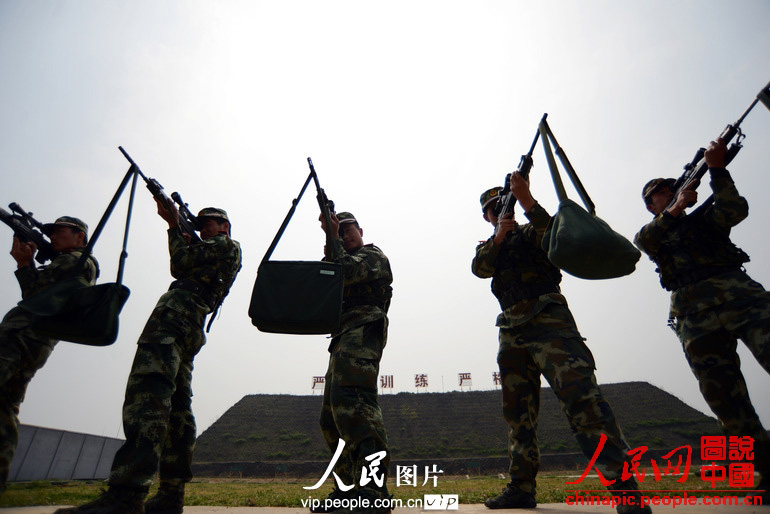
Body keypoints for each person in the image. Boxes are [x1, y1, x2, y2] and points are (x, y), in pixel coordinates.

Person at [472, 175, 650, 514]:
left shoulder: (532, 230)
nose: (498, 211)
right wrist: (498, 237)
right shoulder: (489, 244)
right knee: (518, 415)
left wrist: (527, 202)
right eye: (492, 209)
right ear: (487, 216)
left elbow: (557, 237)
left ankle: (624, 490)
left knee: (582, 401)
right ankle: (521, 488)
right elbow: (479, 268)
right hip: (511, 330)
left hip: (549, 321)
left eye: (501, 205)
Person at [56, 201, 241, 514]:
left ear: (223, 226)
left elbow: (179, 263)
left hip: (173, 323)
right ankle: (171, 495)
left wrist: (172, 226)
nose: (202, 228)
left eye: (207, 223)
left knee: (148, 396)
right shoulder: (214, 252)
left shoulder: (225, 245)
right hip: (187, 325)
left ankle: (126, 495)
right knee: (179, 410)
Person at [634, 137, 770, 503]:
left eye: (671, 187)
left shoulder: (705, 218)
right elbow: (644, 242)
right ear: (652, 204)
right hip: (694, 315)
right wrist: (677, 208)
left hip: (740, 295)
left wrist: (718, 170)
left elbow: (735, 210)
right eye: (662, 193)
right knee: (723, 397)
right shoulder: (654, 234)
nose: (670, 192)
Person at [0, 217, 98, 495]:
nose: (54, 236)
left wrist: (24, 263)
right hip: (34, 340)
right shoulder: (75, 263)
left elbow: (34, 293)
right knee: (5, 410)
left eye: (60, 231)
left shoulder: (74, 262)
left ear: (80, 236)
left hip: (21, 336)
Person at [313, 211, 393, 514]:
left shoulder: (373, 255)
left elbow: (347, 270)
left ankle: (373, 490)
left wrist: (331, 237)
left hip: (363, 330)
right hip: (342, 337)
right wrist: (328, 244)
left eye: (348, 230)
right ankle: (347, 489)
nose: (345, 235)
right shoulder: (336, 259)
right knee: (332, 415)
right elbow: (319, 287)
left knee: (356, 405)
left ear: (360, 230)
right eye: (340, 231)